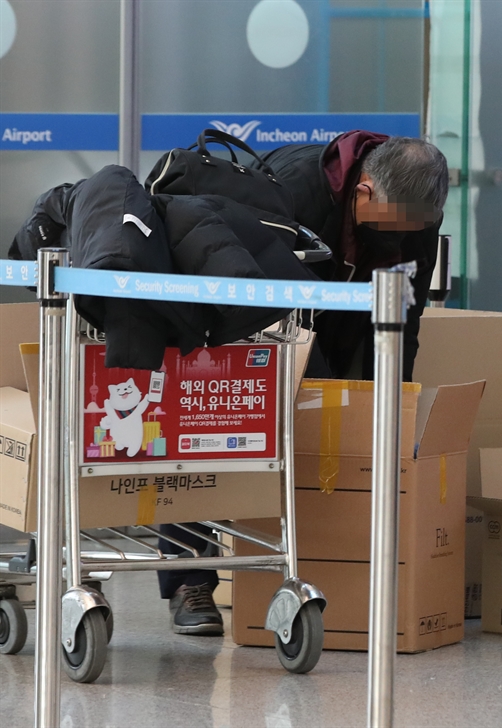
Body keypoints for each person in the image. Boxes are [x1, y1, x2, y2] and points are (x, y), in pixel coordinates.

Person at [160, 132, 449, 635]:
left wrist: (396, 408)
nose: (406, 238)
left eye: (417, 228)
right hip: (235, 320)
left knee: (336, 432)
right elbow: (226, 266)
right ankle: (190, 579)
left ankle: (325, 564)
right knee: (207, 427)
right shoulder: (291, 190)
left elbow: (406, 316)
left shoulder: (415, 210)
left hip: (336, 319)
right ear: (364, 193)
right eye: (397, 227)